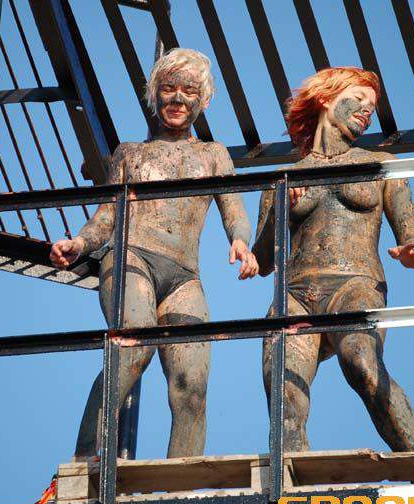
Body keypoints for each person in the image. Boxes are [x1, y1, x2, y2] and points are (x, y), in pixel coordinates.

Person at [50, 48, 258, 459]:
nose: (178, 98)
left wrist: (240, 241)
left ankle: (181, 481)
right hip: (132, 260)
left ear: (203, 100)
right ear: (154, 94)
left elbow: (235, 210)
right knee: (135, 343)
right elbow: (107, 218)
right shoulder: (130, 153)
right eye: (168, 88)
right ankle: (84, 458)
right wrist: (79, 243)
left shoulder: (213, 155)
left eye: (189, 91)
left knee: (192, 386)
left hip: (184, 277)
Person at [252, 67, 414, 453]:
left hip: (355, 286)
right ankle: (292, 479)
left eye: (372, 107)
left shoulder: (379, 164)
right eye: (359, 99)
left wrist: (409, 247)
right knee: (283, 391)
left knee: (362, 365)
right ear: (326, 98)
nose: (367, 111)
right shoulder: (284, 176)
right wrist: (281, 208)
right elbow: (263, 260)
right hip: (295, 294)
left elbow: (408, 229)